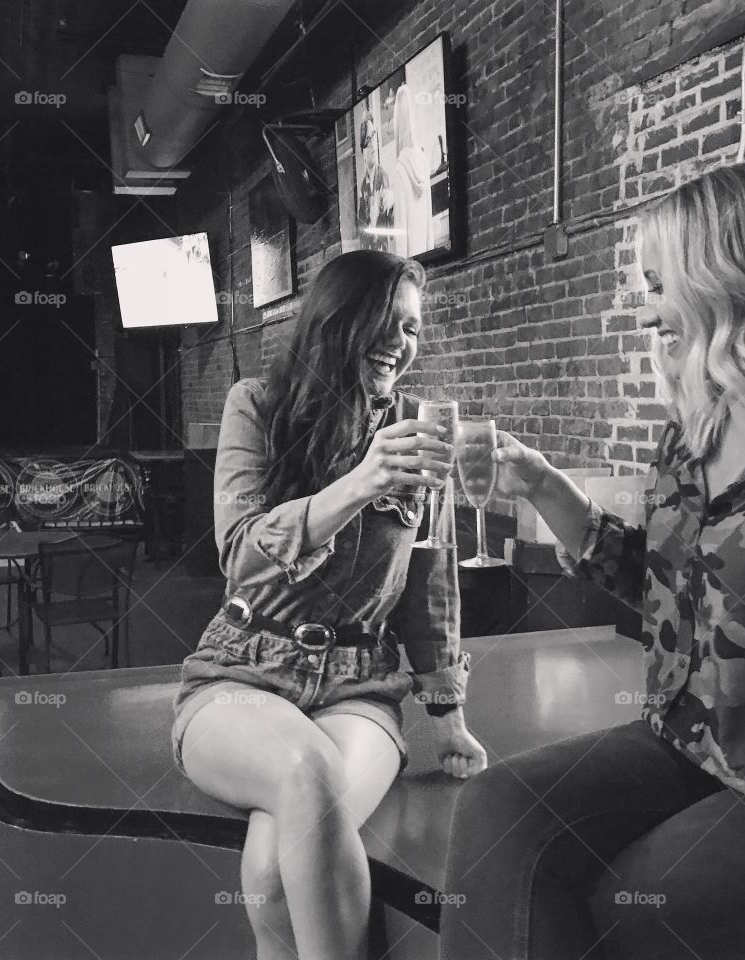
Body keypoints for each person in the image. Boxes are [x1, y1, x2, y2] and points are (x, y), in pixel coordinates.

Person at [439, 161, 745, 960]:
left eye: (657, 283)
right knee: (493, 813)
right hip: (692, 741)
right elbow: (662, 588)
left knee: (624, 912)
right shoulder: (695, 422)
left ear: (725, 276)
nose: (644, 306)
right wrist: (545, 487)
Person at [170, 250, 486, 960]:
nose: (400, 343)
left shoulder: (417, 427)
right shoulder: (256, 405)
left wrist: (449, 715)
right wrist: (362, 481)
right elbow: (242, 554)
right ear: (335, 320)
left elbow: (431, 579)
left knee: (270, 869)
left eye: (411, 329)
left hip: (358, 684)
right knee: (305, 775)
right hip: (242, 671)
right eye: (386, 321)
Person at [392, 84, 433, 257]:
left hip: (409, 265)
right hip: (426, 257)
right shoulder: (423, 160)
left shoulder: (400, 167)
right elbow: (428, 221)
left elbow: (400, 229)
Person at [356, 110, 395, 253]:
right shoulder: (362, 186)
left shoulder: (382, 175)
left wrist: (392, 202)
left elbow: (391, 226)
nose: (373, 144)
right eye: (368, 139)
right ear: (363, 151)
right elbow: (360, 230)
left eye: (374, 137)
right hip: (368, 254)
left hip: (383, 253)